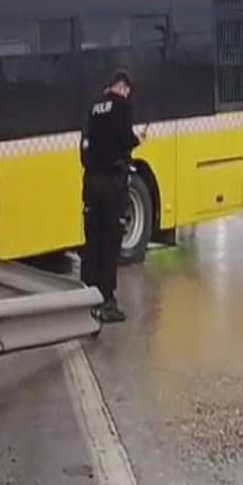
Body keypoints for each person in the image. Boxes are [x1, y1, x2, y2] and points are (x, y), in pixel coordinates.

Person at [81, 69, 142, 323]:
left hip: (91, 182)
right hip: (112, 185)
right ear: (123, 87)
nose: (127, 95)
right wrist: (138, 140)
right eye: (127, 91)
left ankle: (87, 298)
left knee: (92, 241)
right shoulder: (121, 106)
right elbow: (125, 140)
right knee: (110, 242)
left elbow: (84, 148)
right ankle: (107, 301)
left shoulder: (94, 107)